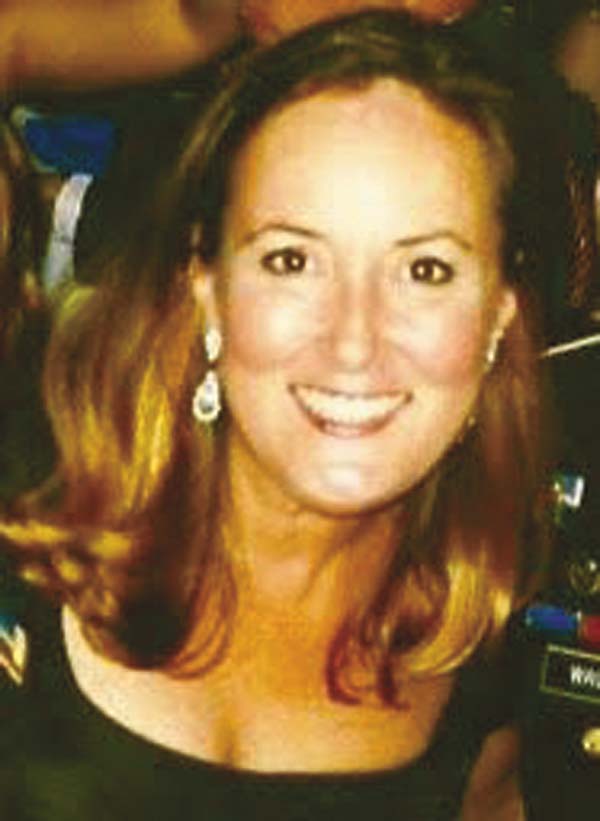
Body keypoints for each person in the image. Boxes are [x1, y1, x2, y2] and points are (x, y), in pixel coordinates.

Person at [1, 9, 579, 819]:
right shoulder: (24, 527)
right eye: (292, 259)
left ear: (498, 321)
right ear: (206, 289)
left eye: (425, 269)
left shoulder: (495, 622)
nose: (354, 343)